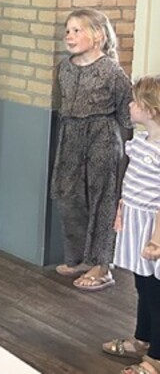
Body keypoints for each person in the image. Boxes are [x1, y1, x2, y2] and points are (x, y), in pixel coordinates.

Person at [51, 8, 132, 291]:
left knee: (102, 200)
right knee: (68, 195)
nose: (69, 36)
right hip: (70, 138)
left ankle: (102, 265)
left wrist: (125, 153)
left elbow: (126, 114)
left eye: (77, 30)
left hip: (102, 140)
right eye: (67, 30)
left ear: (98, 36)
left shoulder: (112, 72)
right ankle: (79, 257)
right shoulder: (64, 68)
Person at [100, 75, 160, 373]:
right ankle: (142, 339)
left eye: (135, 102)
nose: (130, 105)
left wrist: (156, 240)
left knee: (156, 292)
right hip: (137, 222)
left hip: (154, 228)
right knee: (143, 284)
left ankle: (156, 359)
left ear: (151, 110)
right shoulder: (143, 142)